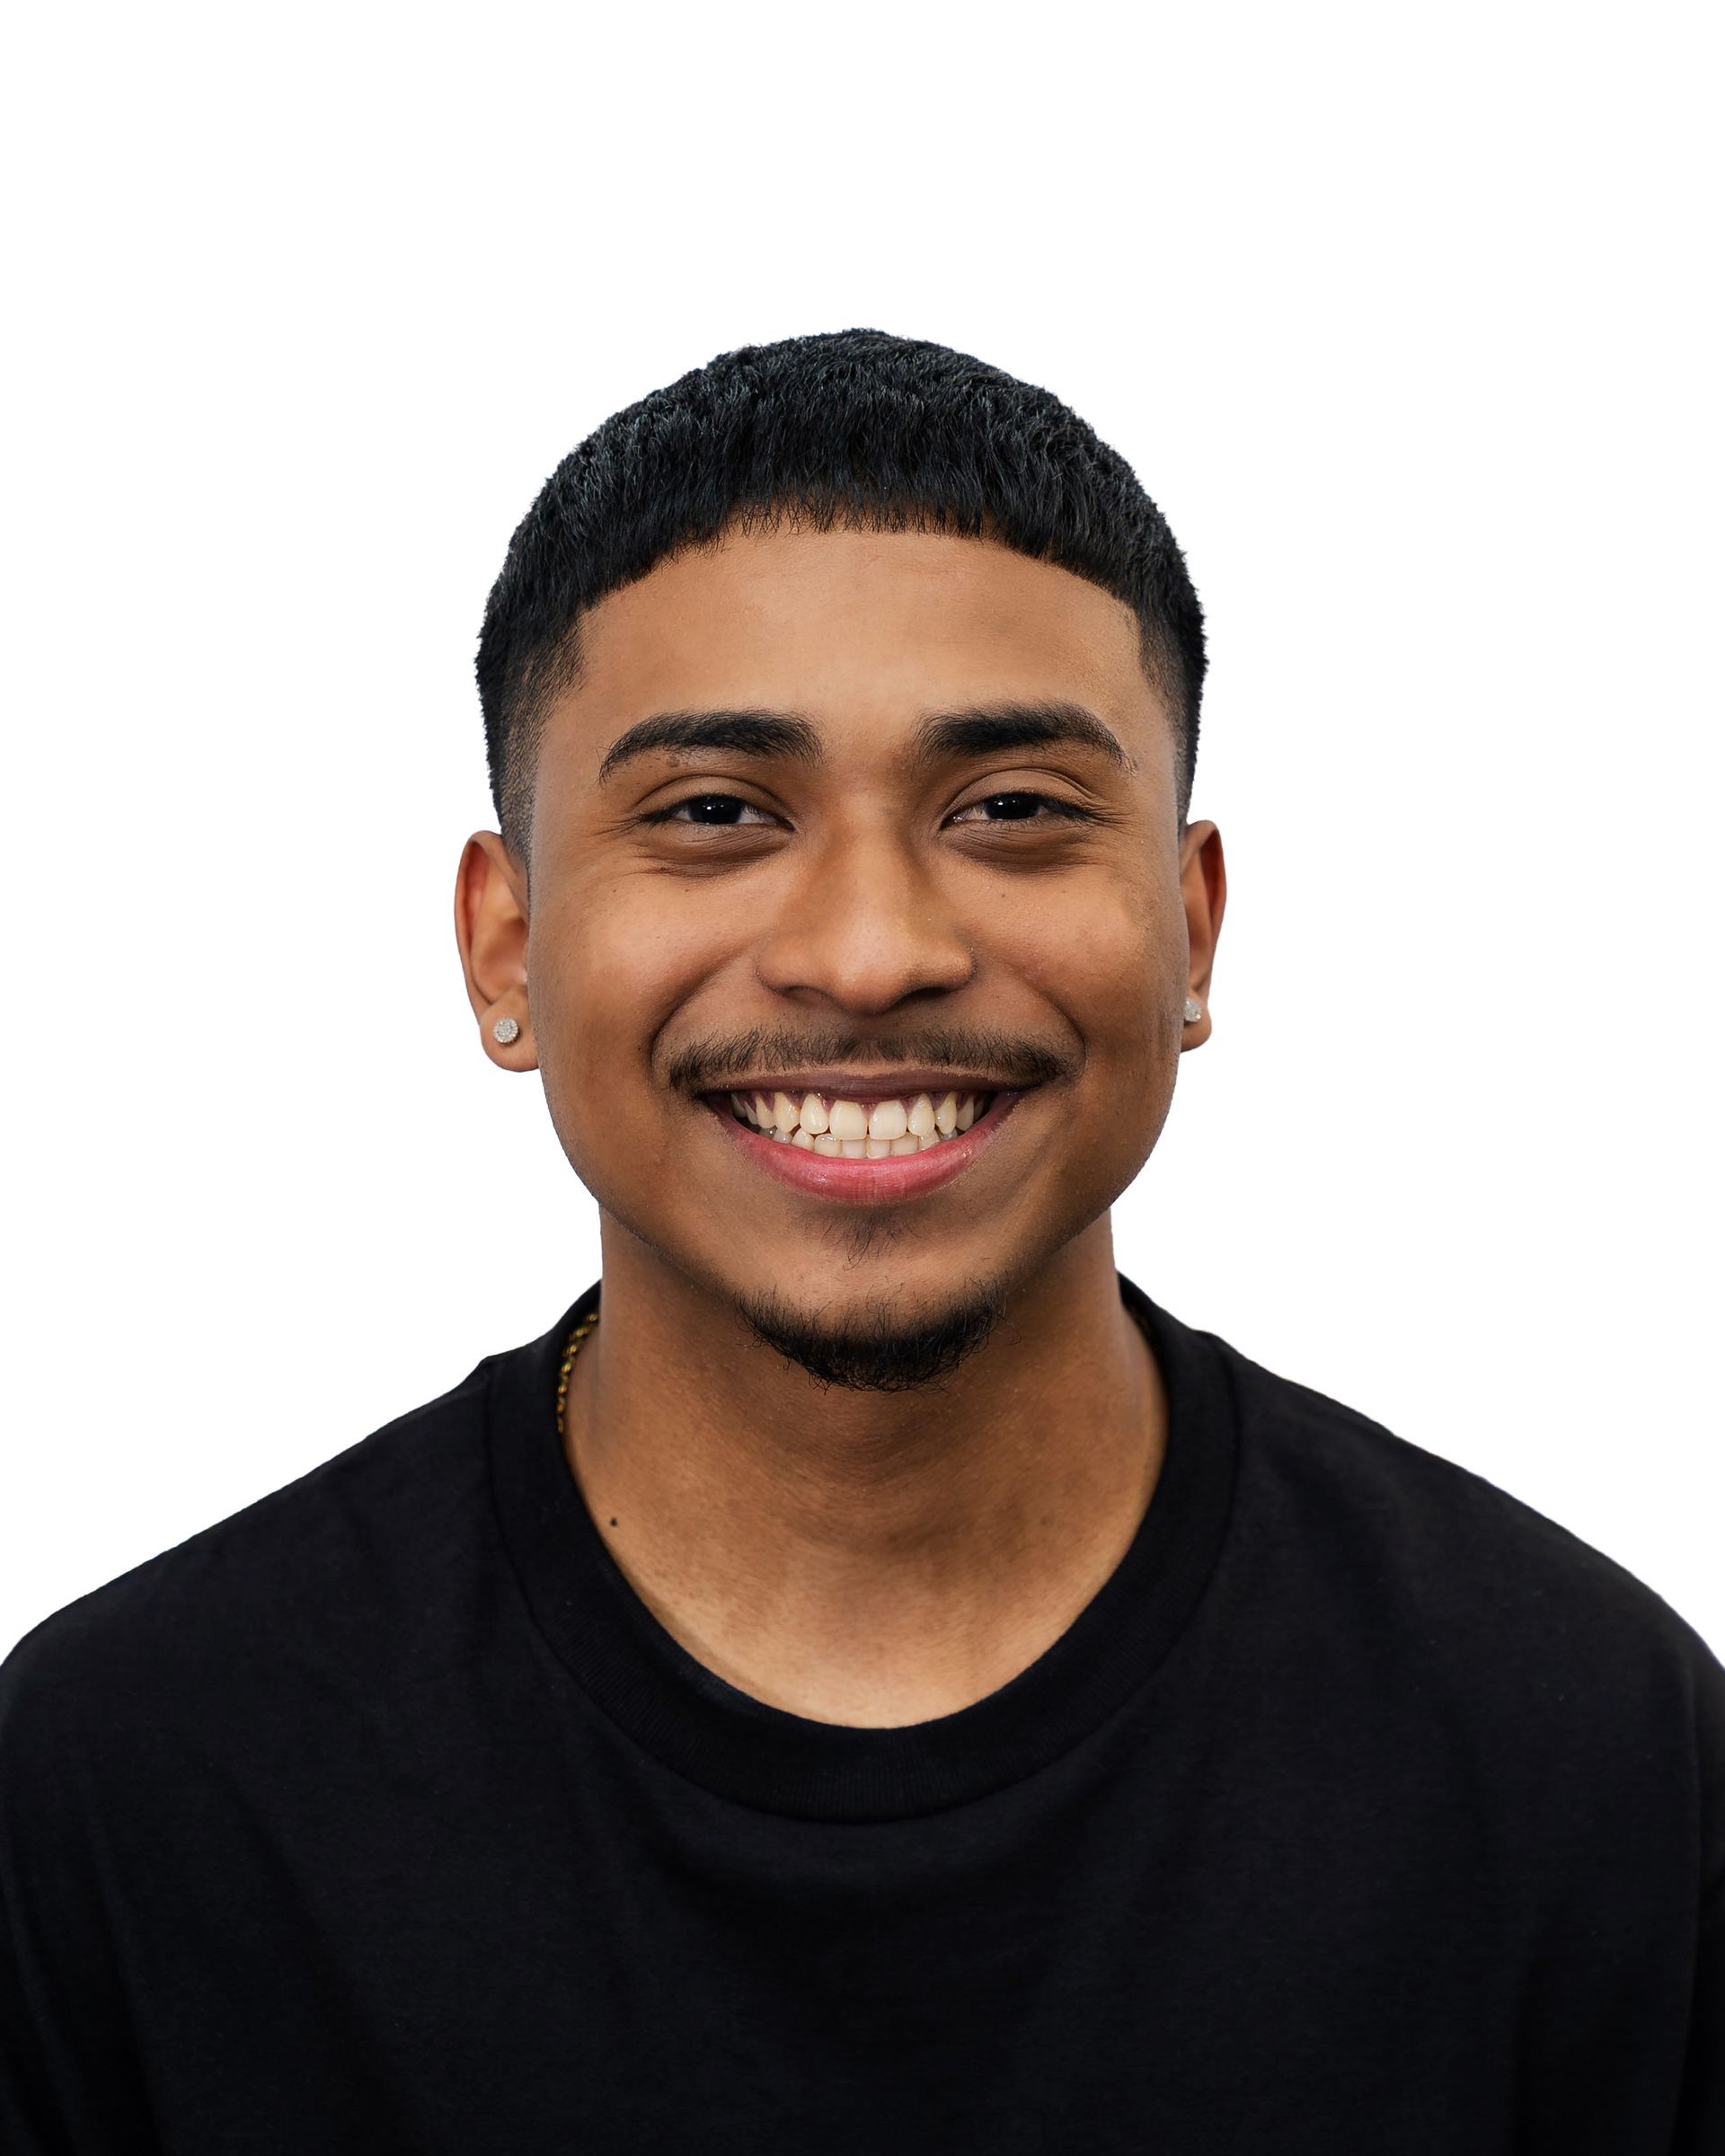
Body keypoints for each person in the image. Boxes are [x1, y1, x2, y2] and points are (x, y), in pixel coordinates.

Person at [1, 329, 1719, 2151]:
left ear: (1192, 932)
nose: (872, 950)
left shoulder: (1588, 1760)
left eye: (1012, 812)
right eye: (715, 815)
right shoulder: (130, 1790)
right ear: (507, 948)